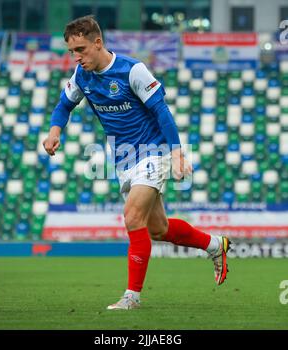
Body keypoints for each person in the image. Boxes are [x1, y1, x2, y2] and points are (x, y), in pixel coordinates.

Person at [43, 15, 231, 310]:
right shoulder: (82, 76)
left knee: (132, 218)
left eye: (81, 49)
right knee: (158, 229)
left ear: (97, 42)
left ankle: (132, 296)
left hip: (152, 152)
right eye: (72, 52)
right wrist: (54, 132)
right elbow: (63, 106)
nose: (77, 57)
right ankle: (214, 245)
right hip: (124, 160)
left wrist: (176, 153)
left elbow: (161, 111)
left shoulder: (132, 70)